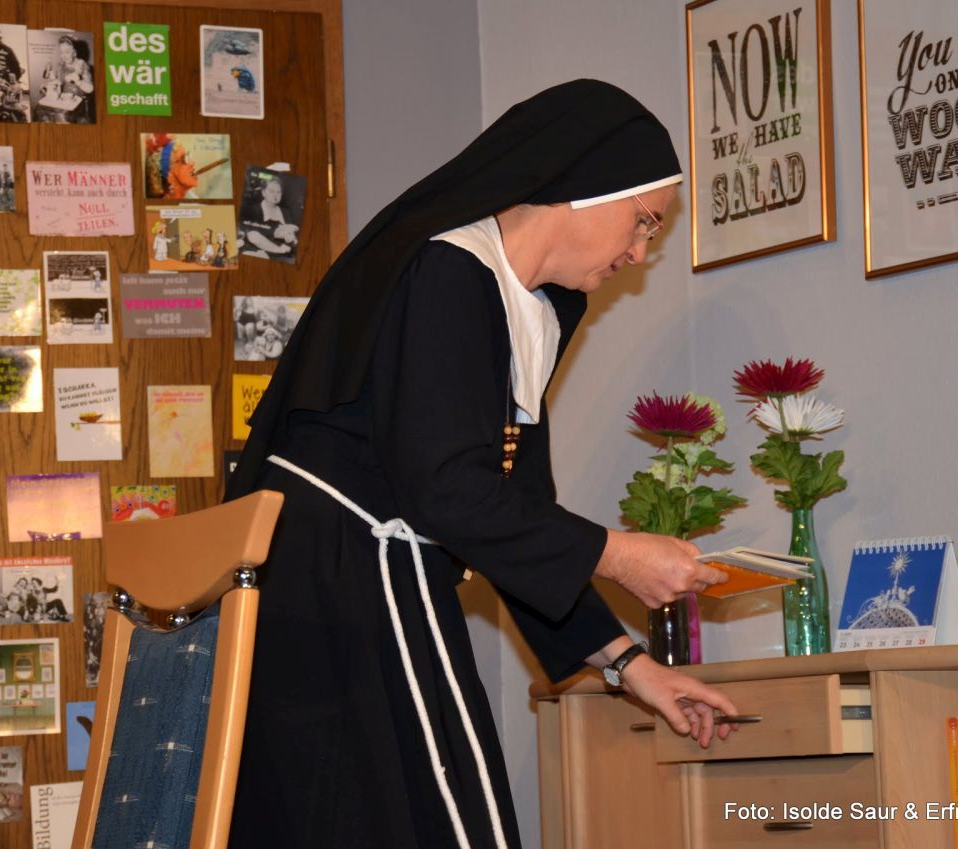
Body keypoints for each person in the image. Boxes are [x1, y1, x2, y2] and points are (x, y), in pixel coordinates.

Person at [223, 80, 739, 849]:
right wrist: (619, 554)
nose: (639, 253)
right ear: (585, 188)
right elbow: (447, 493)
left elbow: (513, 518)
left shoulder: (524, 305)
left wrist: (632, 665)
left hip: (371, 582)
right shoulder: (449, 271)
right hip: (342, 588)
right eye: (643, 222)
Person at [36, 35, 94, 124]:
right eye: (61, 52)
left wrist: (78, 81)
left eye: (67, 52)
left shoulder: (81, 65)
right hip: (64, 102)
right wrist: (50, 85)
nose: (64, 56)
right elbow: (59, 83)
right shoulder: (61, 65)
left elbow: (90, 89)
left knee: (62, 118)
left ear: (74, 52)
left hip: (79, 105)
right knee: (40, 110)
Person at [239, 175, 299, 259]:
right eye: (271, 191)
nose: (275, 195)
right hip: (258, 253)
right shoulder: (253, 210)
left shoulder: (286, 212)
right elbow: (252, 235)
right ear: (263, 193)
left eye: (279, 192)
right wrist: (276, 235)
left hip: (284, 255)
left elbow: (293, 239)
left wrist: (293, 240)